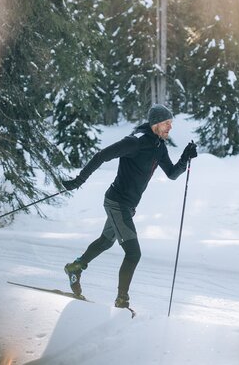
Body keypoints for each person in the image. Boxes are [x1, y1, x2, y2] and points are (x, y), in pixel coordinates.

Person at [61, 104, 197, 309]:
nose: (170, 127)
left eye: (171, 123)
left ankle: (75, 267)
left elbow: (171, 174)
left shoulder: (159, 146)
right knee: (133, 253)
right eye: (167, 123)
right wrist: (79, 181)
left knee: (106, 241)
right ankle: (121, 300)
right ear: (156, 123)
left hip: (127, 206)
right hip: (117, 203)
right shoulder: (136, 142)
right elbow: (101, 156)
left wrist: (185, 157)